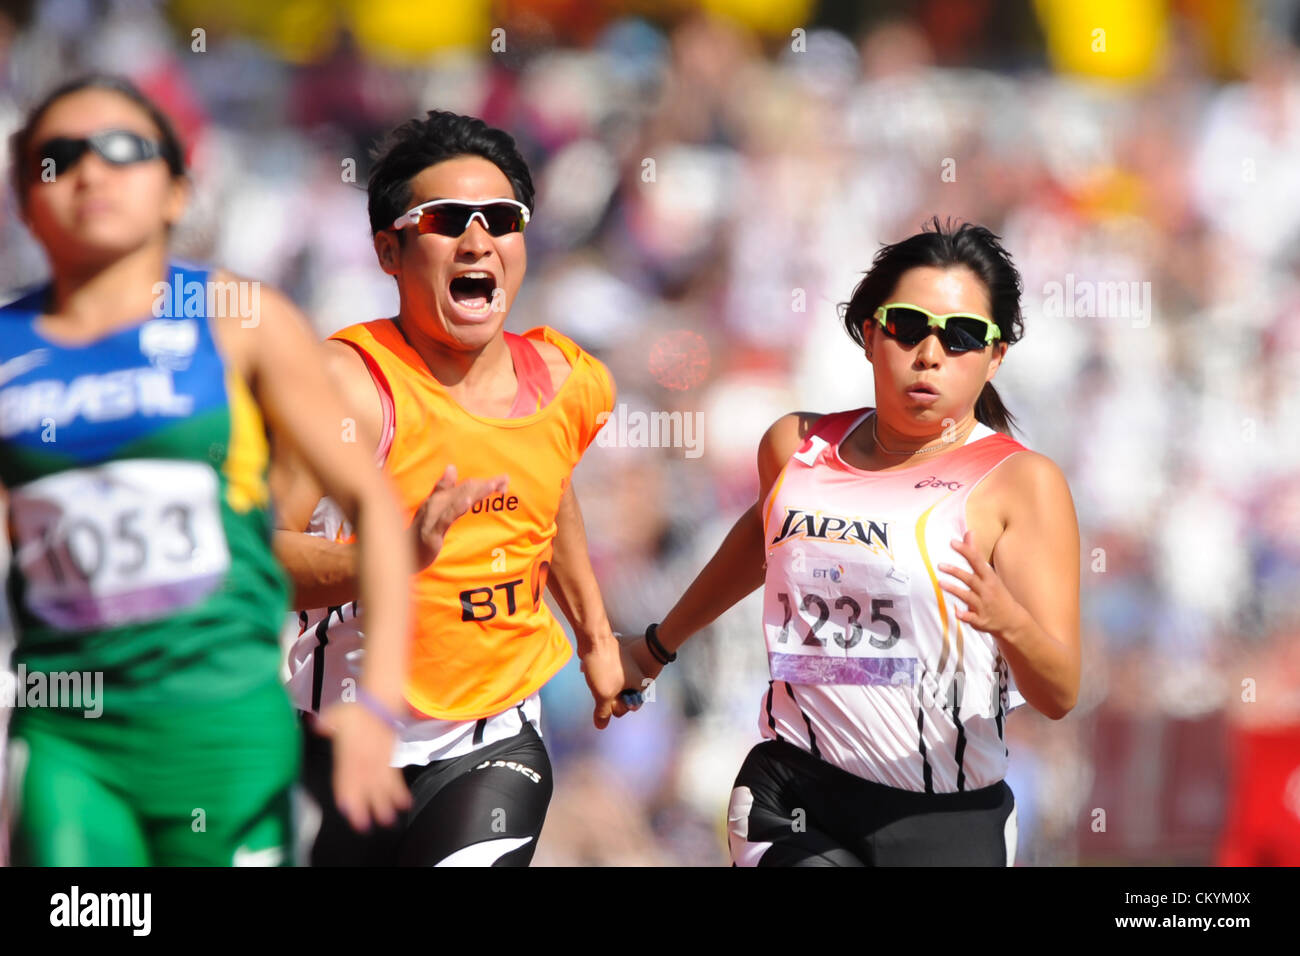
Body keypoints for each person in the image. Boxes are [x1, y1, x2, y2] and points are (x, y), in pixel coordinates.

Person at [0, 74, 433, 865]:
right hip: (70, 735)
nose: (90, 172)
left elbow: (370, 501)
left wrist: (376, 706)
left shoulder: (241, 322)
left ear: (175, 191)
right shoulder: (6, 351)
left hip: (224, 730)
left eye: (123, 150)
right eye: (58, 158)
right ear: (25, 199)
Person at [616, 219, 1081, 866]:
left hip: (946, 816)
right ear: (869, 333)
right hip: (796, 790)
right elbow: (761, 538)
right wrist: (658, 644)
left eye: (964, 336)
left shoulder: (1021, 484)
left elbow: (1060, 692)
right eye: (908, 326)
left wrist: (1009, 622)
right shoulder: (795, 448)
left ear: (997, 355)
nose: (930, 354)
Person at [276, 110, 624, 866]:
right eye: (445, 221)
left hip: (493, 742)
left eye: (501, 219)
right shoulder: (345, 387)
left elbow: (547, 490)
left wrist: (596, 637)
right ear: (388, 251)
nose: (478, 241)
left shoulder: (568, 381)